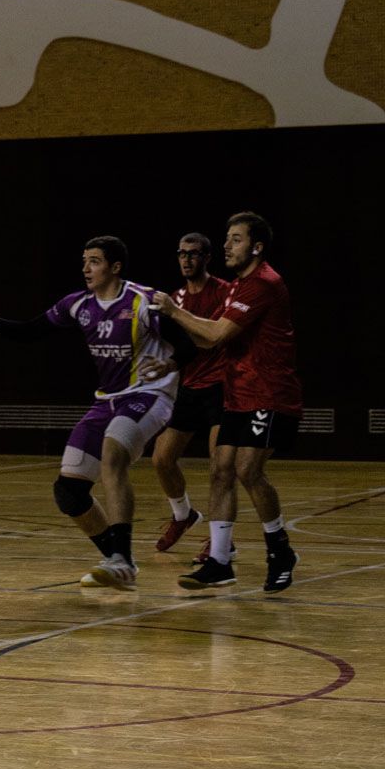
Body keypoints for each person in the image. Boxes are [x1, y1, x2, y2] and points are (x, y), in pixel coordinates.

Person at [0, 237, 195, 590]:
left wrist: (170, 364)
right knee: (69, 491)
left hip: (150, 395)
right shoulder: (79, 304)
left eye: (95, 261)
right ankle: (114, 557)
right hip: (107, 400)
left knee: (113, 454)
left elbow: (192, 343)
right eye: (84, 260)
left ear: (114, 267)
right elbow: (32, 331)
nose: (86, 268)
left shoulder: (143, 302)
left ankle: (122, 560)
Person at [153, 212, 302, 592]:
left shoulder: (263, 284)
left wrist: (174, 311)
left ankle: (280, 550)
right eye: (227, 238)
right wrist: (176, 327)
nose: (227, 245)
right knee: (221, 470)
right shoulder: (238, 286)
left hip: (268, 392)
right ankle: (220, 561)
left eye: (235, 239)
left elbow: (217, 334)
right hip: (237, 392)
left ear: (256, 246)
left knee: (247, 470)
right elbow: (206, 340)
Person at [150, 233, 231, 558]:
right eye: (181, 253)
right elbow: (180, 344)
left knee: (219, 468)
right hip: (191, 387)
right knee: (161, 459)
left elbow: (210, 340)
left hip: (223, 387)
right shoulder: (175, 298)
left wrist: (171, 360)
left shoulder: (224, 292)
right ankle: (184, 515)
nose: (186, 260)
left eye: (193, 254)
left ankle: (222, 540)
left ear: (207, 258)